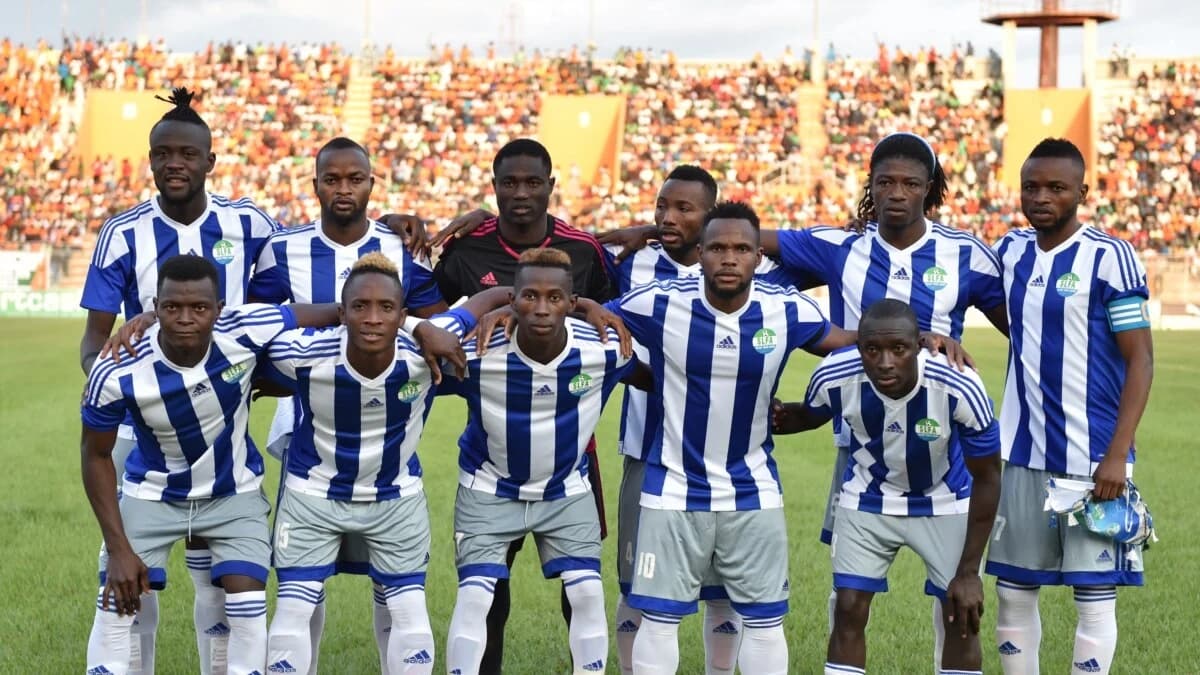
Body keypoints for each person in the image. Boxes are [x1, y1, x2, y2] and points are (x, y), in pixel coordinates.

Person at [600, 132, 1003, 668]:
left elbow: (1022, 326)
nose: (897, 193)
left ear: (930, 187)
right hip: (857, 446)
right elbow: (738, 235)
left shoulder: (965, 253)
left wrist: (934, 342)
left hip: (942, 449)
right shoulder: (838, 246)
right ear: (870, 185)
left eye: (910, 183)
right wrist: (655, 231)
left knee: (953, 598)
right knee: (848, 597)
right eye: (885, 182)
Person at [605, 201, 857, 675]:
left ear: (758, 258)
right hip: (672, 490)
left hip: (753, 491)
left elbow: (854, 344)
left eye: (742, 249)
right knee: (658, 619)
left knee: (764, 623)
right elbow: (592, 320)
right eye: (717, 248)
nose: (729, 258)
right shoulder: (659, 302)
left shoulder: (785, 309)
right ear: (700, 253)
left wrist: (922, 338)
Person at [78, 87, 281, 675]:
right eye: (163, 154)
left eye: (187, 154)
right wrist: (122, 385)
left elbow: (297, 286)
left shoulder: (249, 222)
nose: (174, 164)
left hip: (224, 425)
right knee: (132, 589)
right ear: (150, 160)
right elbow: (93, 341)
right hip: (141, 428)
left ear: (209, 161)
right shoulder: (123, 232)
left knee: (221, 588)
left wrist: (388, 227)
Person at [81, 255, 338, 675]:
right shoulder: (117, 367)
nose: (186, 318)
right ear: (155, 307)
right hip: (153, 494)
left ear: (219, 309)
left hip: (232, 494)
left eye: (199, 307)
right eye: (172, 307)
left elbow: (339, 311)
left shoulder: (245, 327)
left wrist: (416, 327)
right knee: (116, 603)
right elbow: (95, 456)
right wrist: (118, 549)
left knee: (247, 608)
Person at [247, 136, 448, 673]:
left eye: (354, 179)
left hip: (387, 428)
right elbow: (259, 328)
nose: (343, 189)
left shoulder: (399, 247)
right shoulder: (282, 249)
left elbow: (436, 322)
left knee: (391, 585)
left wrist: (418, 326)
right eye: (331, 180)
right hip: (309, 431)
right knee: (303, 584)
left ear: (371, 185)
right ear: (314, 185)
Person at [261, 252, 502, 675]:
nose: (373, 318)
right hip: (312, 495)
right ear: (341, 314)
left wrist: (572, 306)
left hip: (395, 498)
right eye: (360, 306)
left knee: (409, 609)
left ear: (402, 315)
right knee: (294, 608)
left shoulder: (426, 350)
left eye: (386, 308)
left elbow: (495, 297)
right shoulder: (302, 353)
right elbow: (236, 330)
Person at [431, 138, 615, 674]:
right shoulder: (467, 250)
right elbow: (434, 316)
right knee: (489, 586)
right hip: (495, 436)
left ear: (551, 186)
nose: (520, 193)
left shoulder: (584, 250)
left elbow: (610, 317)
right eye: (509, 182)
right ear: (493, 187)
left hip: (569, 441)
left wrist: (583, 303)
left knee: (579, 587)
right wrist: (486, 305)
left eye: (533, 182)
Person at [985, 138, 1154, 675]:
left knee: (1094, 596)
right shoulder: (1010, 251)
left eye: (1056, 188)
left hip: (1093, 459)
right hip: (1021, 454)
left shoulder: (1109, 257)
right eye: (1031, 187)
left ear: (1082, 192)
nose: (1041, 197)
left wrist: (1117, 454)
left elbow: (1141, 360)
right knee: (1013, 591)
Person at [440, 248, 645, 675]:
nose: (542, 308)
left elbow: (664, 378)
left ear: (572, 304)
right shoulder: (476, 351)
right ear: (512, 300)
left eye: (555, 298)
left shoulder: (607, 350)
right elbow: (415, 363)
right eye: (529, 296)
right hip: (489, 488)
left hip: (566, 490)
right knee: (476, 596)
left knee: (587, 593)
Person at [772, 299, 1001, 675]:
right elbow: (809, 415)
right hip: (869, 497)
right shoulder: (835, 373)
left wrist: (969, 572)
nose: (885, 362)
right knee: (847, 606)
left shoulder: (958, 383)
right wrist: (777, 416)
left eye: (898, 349)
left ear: (919, 345)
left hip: (945, 500)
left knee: (960, 613)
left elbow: (989, 477)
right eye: (872, 350)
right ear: (859, 347)